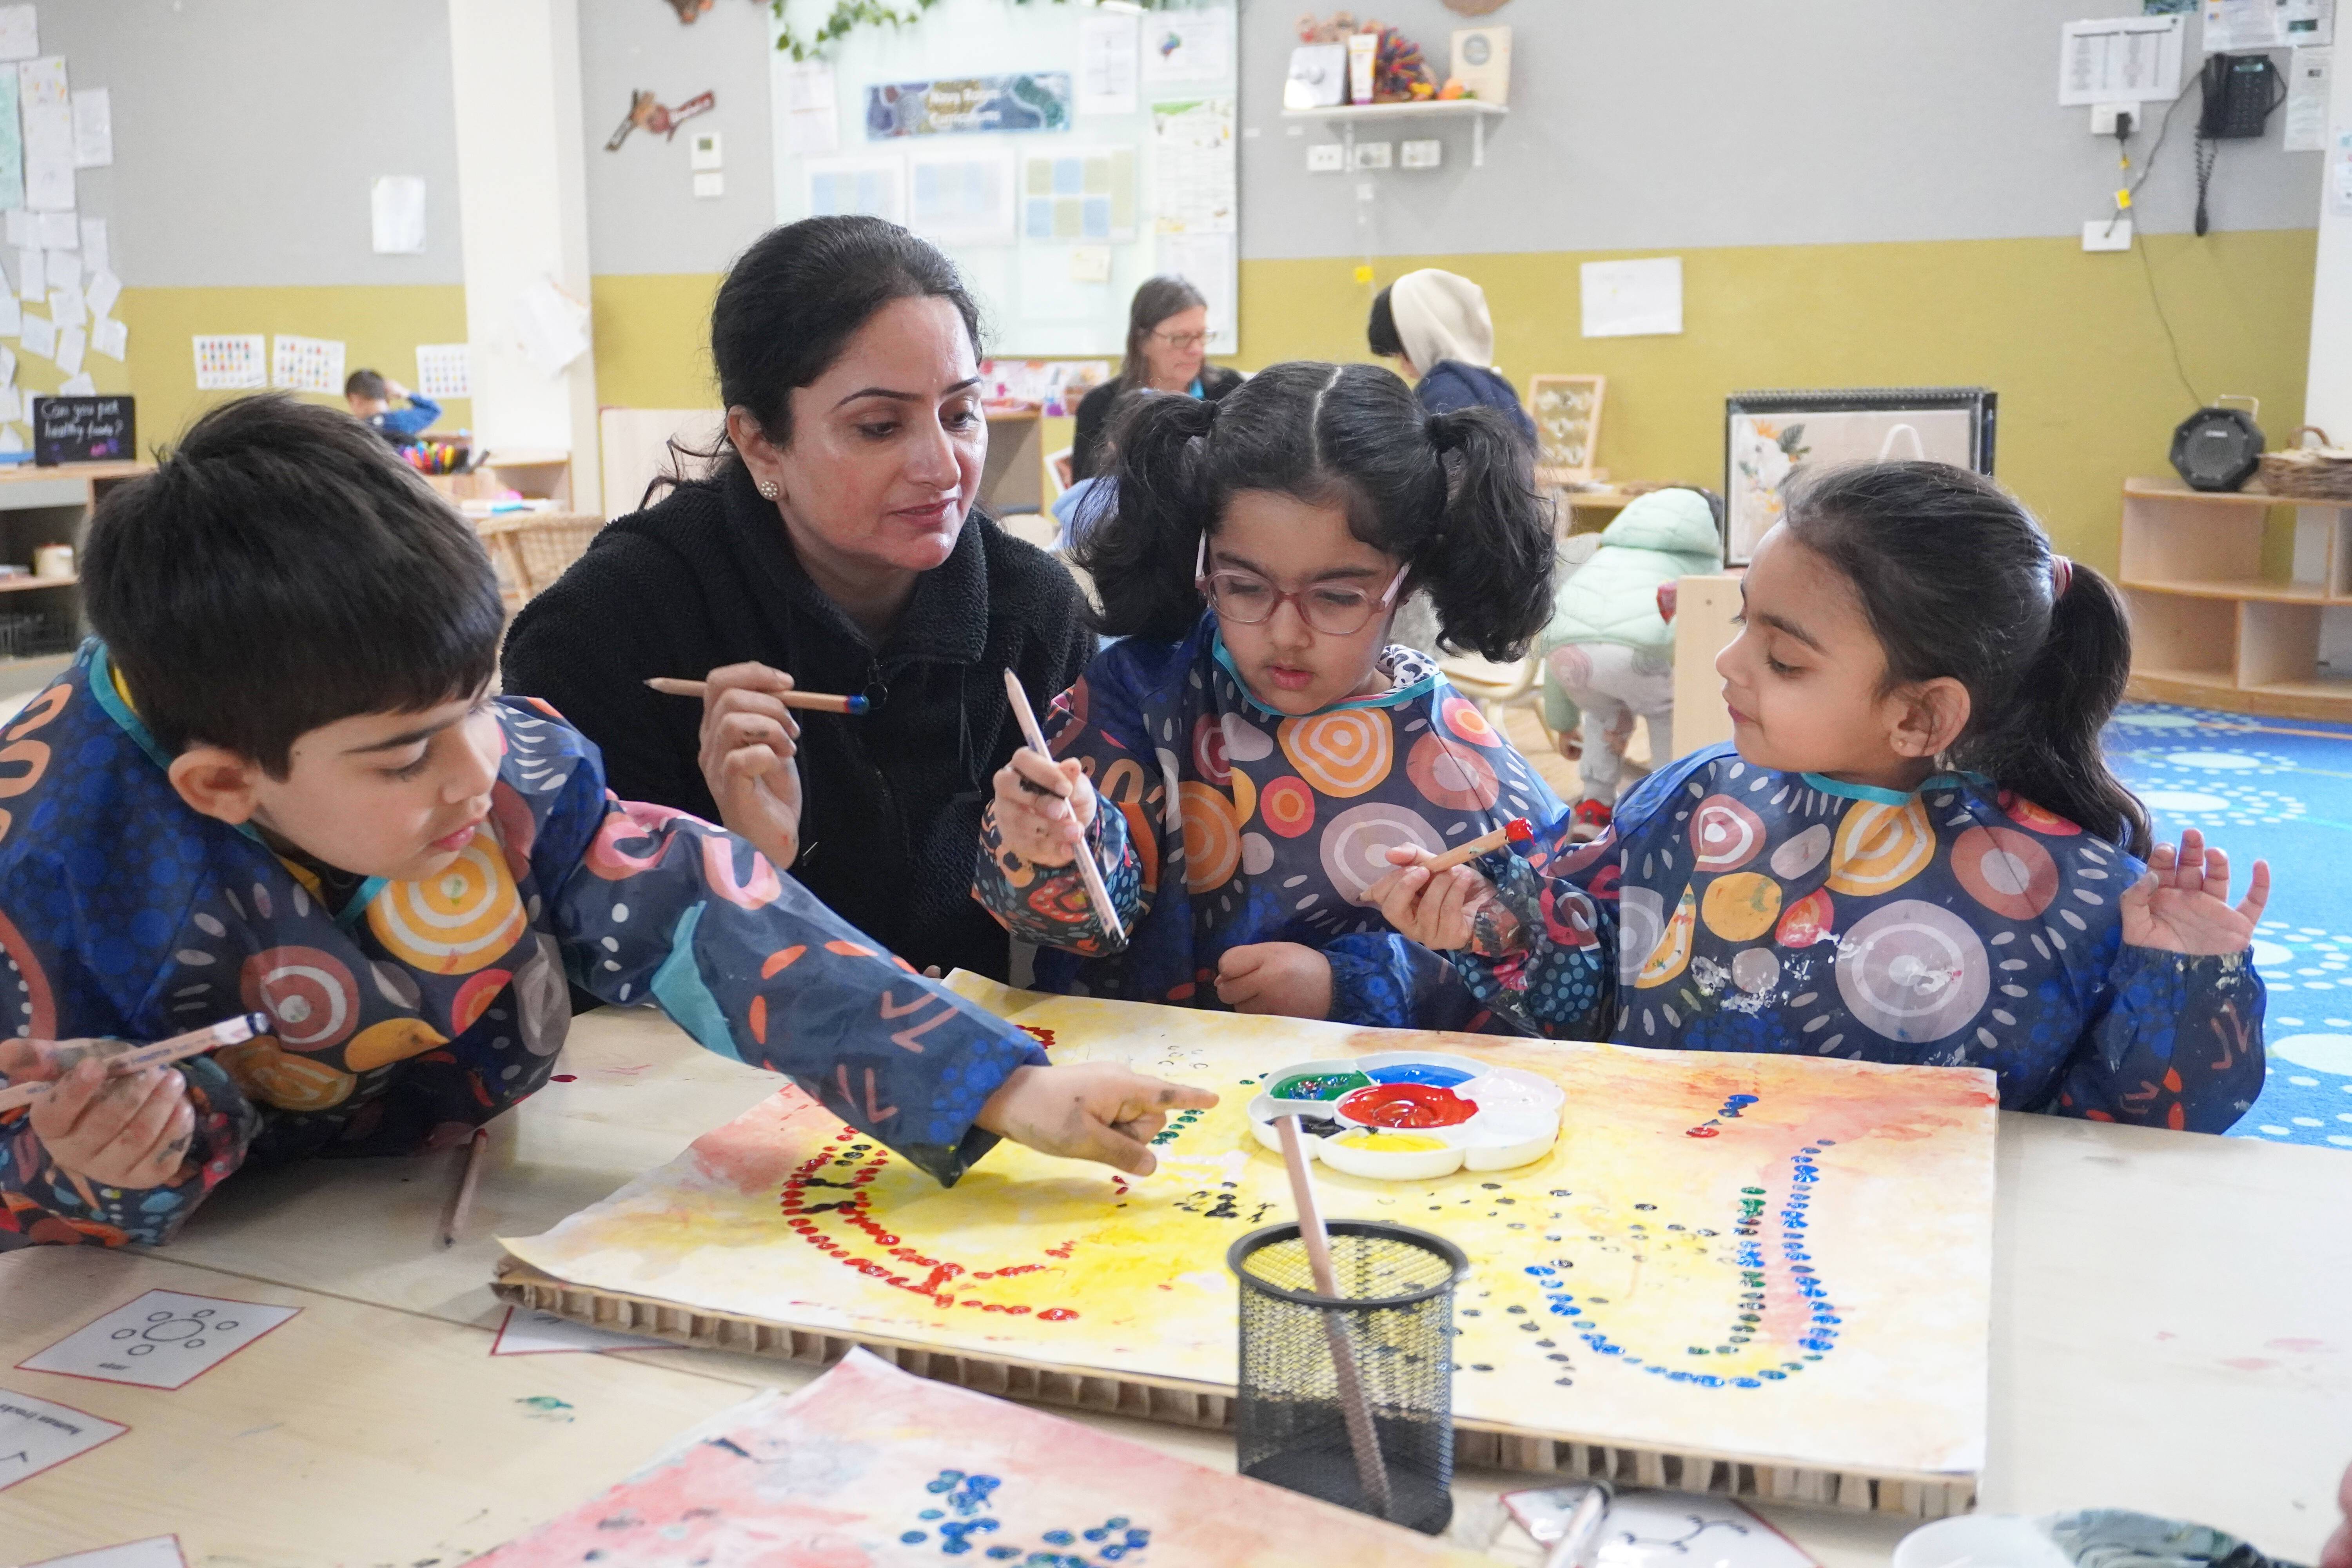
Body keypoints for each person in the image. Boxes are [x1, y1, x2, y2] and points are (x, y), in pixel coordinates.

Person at [0, 396, 1212, 1251]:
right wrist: (98, 1162)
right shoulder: (49, 860)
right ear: (220, 784)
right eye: (404, 753)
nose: (476, 771)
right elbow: (32, 1173)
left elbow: (707, 907)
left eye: (478, 702)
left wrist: (1003, 1086)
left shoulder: (486, 759)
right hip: (232, 1280)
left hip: (467, 1209)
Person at [1368, 461, 2268, 1131]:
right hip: (1666, 1222)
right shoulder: (1690, 803)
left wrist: (2183, 982)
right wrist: (1499, 927)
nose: (1727, 664)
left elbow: (2134, 1136)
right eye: (1740, 621)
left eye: (1784, 656)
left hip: (1914, 1282)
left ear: (1922, 714)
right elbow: (1595, 1006)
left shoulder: (2069, 893)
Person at [502, 218, 1094, 984]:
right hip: (691, 1077)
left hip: (956, 1064)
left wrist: (1057, 867)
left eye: (960, 413)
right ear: (759, 443)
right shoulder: (614, 626)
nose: (944, 466)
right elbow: (577, 964)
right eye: (880, 426)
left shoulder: (1033, 612)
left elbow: (1081, 941)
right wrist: (747, 865)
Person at [973, 362, 1561, 1030]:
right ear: (1204, 559)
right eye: (1245, 586)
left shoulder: (1456, 764)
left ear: (1411, 579)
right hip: (1136, 1097)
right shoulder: (1141, 698)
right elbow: (1076, 928)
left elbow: (1543, 981)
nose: (1285, 634)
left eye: (1337, 597)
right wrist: (1051, 848)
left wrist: (1348, 985)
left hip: (1372, 1124)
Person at [1539, 487, 1726, 833]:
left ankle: (1594, 807)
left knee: (1602, 715)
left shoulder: (1605, 554)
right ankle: (1666, 801)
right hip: (1637, 654)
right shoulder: (1703, 560)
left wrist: (1563, 723)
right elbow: (1708, 613)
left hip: (1568, 657)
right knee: (1667, 714)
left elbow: (1557, 639)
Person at [1068, 277, 1243, 483]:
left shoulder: (1230, 391)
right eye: (1180, 338)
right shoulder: (1101, 406)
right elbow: (1086, 499)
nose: (1196, 350)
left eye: (1202, 336)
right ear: (1142, 342)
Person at [1367, 269, 1535, 447]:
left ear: (1423, 340)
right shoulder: (1497, 386)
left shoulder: (1442, 395)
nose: (1403, 369)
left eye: (1403, 356)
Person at [344, 368, 442, 450]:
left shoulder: (357, 430)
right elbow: (434, 410)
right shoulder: (403, 420)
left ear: (355, 400)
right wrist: (406, 393)